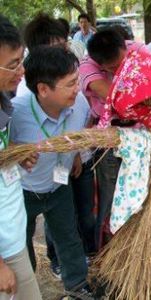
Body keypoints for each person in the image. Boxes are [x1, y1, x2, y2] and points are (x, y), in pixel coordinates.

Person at [10, 46, 97, 298]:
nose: (77, 89)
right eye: (70, 84)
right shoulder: (15, 112)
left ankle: (77, 285)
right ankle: (24, 288)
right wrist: (17, 150)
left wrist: (77, 155)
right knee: (21, 244)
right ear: (43, 89)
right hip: (23, 192)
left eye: (77, 80)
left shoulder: (79, 104)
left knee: (69, 237)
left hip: (59, 186)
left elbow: (80, 133)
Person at [79, 28, 149, 248]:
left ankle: (134, 248)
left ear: (125, 46)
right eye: (111, 69)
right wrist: (142, 88)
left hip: (139, 136)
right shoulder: (86, 65)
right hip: (108, 138)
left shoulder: (139, 50)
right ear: (99, 64)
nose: (118, 70)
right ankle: (108, 252)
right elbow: (114, 96)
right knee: (110, 199)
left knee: (138, 197)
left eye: (121, 63)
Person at [0, 14, 42, 300]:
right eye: (13, 64)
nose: (22, 71)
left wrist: (12, 152)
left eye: (21, 60)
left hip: (12, 237)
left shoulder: (3, 101)